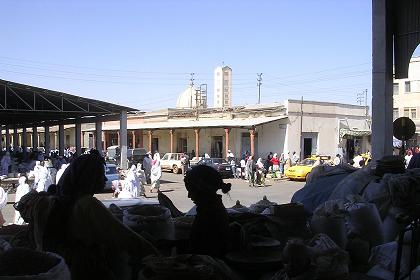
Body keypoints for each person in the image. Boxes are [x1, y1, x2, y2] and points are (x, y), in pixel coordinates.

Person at [16, 150, 159, 280]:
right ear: (89, 178)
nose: (104, 179)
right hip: (85, 271)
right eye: (99, 174)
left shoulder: (59, 198)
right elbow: (125, 237)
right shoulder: (87, 204)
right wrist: (158, 256)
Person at [184, 165, 230, 258]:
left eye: (191, 191)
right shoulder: (209, 208)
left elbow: (199, 251)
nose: (189, 196)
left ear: (203, 189)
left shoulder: (210, 214)